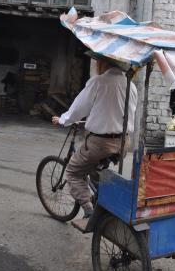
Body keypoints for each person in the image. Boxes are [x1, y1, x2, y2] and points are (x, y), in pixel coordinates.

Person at [52, 57, 138, 218]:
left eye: (97, 62)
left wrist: (63, 120)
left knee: (73, 172)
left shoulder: (98, 81)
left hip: (101, 144)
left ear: (102, 63)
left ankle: (89, 210)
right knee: (95, 168)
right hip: (123, 142)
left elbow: (79, 108)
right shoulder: (130, 85)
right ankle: (102, 199)